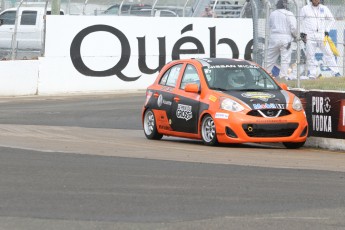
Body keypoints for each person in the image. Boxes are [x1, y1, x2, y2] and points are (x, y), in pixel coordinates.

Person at [300, 0, 341, 79]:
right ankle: (312, 74)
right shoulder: (305, 8)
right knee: (310, 55)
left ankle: (336, 72)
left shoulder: (324, 8)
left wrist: (326, 30)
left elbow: (332, 19)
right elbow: (299, 20)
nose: (316, 0)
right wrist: (302, 32)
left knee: (329, 53)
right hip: (310, 35)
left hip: (321, 35)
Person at [266, 0, 297, 80]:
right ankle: (283, 76)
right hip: (285, 37)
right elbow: (294, 28)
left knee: (269, 59)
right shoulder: (289, 14)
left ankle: (265, 75)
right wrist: (295, 36)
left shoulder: (272, 14)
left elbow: (269, 25)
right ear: (286, 5)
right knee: (285, 59)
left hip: (274, 37)